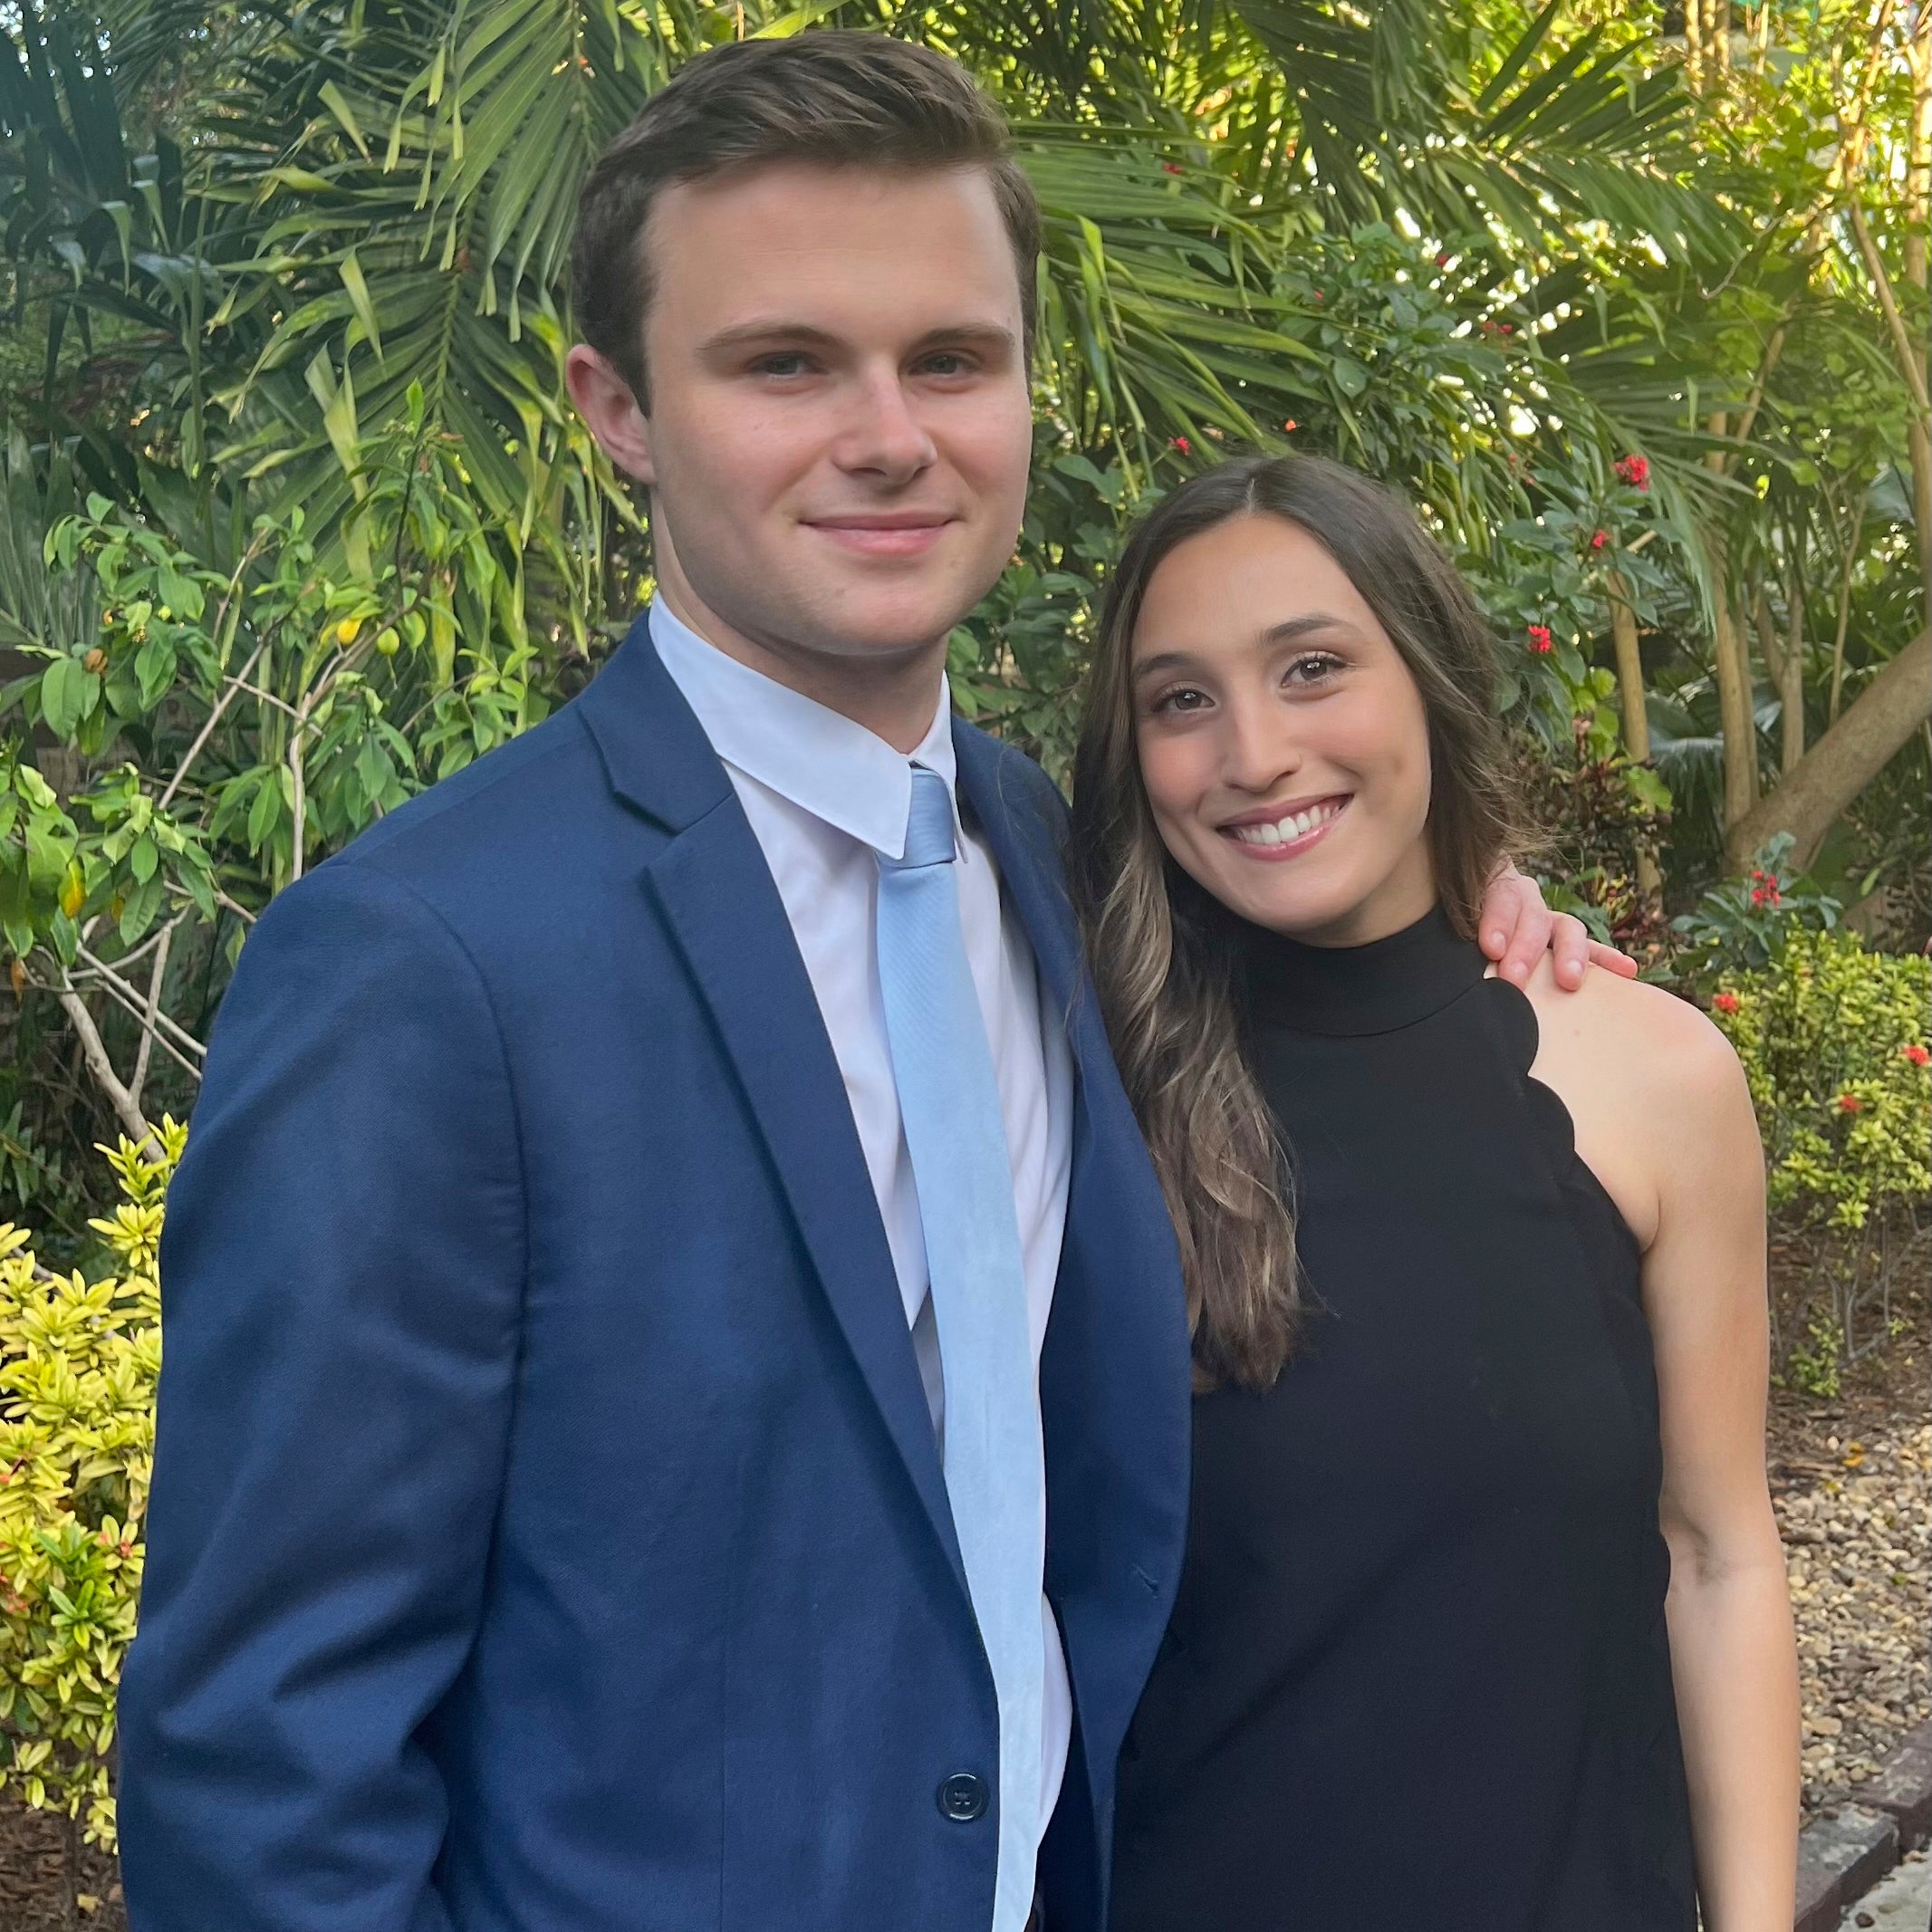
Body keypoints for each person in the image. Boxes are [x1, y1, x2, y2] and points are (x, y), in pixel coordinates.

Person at [116, 37, 1615, 1932]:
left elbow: (1321, 873)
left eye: (950, 359)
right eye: (783, 363)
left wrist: (1480, 882)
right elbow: (261, 1760)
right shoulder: (427, 964)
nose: (888, 431)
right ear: (618, 407)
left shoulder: (1061, 868)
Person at [1071, 455, 1802, 1932]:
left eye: (1312, 666)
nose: (1254, 750)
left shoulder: (1651, 1077)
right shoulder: (1076, 1083)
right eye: (1180, 699)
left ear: (1427, 673)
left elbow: (1714, 1553)